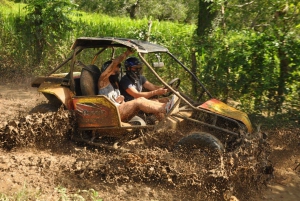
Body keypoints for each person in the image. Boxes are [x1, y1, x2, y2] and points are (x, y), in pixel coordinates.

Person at [97, 48, 178, 122]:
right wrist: (127, 52)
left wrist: (121, 100)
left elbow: (117, 101)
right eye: (114, 71)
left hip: (119, 109)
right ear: (107, 71)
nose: (117, 72)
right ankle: (165, 108)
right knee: (140, 100)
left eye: (118, 71)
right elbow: (114, 63)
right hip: (111, 113)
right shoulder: (102, 81)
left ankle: (166, 112)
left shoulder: (115, 83)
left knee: (148, 100)